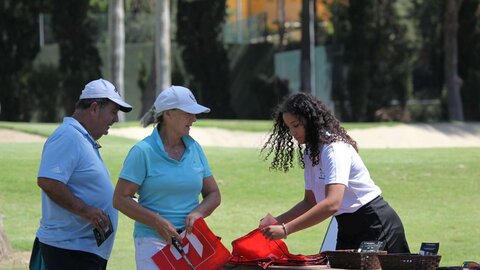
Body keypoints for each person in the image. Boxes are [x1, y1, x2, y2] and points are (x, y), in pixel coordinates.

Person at [259, 92, 410, 253]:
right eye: (288, 127)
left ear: (310, 120)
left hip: (375, 223)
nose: (293, 132)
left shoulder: (334, 148)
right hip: (346, 227)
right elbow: (310, 202)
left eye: (296, 125)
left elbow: (332, 203)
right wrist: (276, 221)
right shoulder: (311, 151)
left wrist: (286, 229)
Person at [113, 85, 221, 269]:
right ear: (168, 114)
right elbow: (120, 199)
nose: (194, 119)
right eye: (188, 113)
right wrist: (158, 222)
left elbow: (213, 194)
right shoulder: (142, 152)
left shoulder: (195, 149)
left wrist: (198, 212)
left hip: (192, 243)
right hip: (152, 242)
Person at [35, 78, 132, 270]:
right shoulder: (68, 136)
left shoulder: (80, 138)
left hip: (79, 250)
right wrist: (85, 211)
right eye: (113, 112)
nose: (116, 119)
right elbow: (48, 181)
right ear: (94, 108)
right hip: (69, 251)